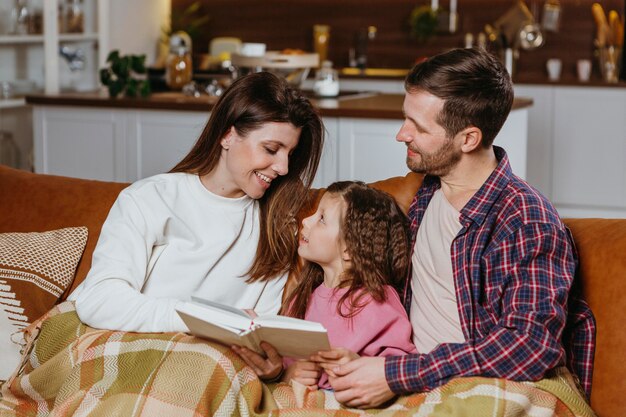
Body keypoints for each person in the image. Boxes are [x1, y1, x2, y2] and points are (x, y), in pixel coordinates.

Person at [319, 47, 596, 408]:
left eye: (418, 126)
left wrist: (396, 373)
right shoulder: (424, 194)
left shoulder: (525, 218)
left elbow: (530, 346)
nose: (401, 135)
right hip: (415, 378)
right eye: (406, 118)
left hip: (489, 387)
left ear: (468, 139)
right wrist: (366, 361)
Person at [68, 71, 324, 333]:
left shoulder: (278, 228)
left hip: (206, 362)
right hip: (126, 346)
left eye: (290, 154)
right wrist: (203, 318)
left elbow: (261, 328)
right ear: (227, 135)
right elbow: (100, 300)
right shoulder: (150, 199)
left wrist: (267, 362)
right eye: (271, 149)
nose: (283, 167)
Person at [233, 181, 417, 389]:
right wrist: (288, 375)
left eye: (321, 219)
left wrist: (359, 366)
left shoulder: (377, 299)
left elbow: (401, 365)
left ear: (350, 248)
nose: (306, 221)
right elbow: (284, 363)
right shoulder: (301, 298)